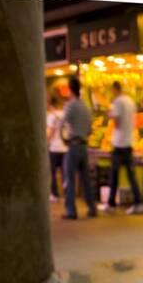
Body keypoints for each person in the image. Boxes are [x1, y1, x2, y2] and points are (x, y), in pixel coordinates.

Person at [98, 81, 143, 215]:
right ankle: (138, 202)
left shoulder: (118, 102)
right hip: (129, 142)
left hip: (119, 143)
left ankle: (111, 204)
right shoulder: (130, 102)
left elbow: (117, 123)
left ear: (114, 89)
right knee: (131, 175)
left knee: (114, 175)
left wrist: (110, 113)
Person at [59, 76, 97, 220]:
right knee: (86, 180)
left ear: (70, 89)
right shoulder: (86, 107)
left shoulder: (71, 105)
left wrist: (64, 140)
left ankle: (71, 211)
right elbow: (90, 128)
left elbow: (61, 123)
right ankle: (92, 208)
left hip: (73, 145)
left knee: (69, 178)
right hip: (84, 146)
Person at [46, 95, 67, 202]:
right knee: (64, 173)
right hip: (65, 147)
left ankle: (54, 194)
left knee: (53, 172)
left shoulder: (51, 116)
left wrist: (46, 143)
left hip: (54, 147)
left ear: (50, 105)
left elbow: (50, 132)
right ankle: (66, 195)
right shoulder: (64, 114)